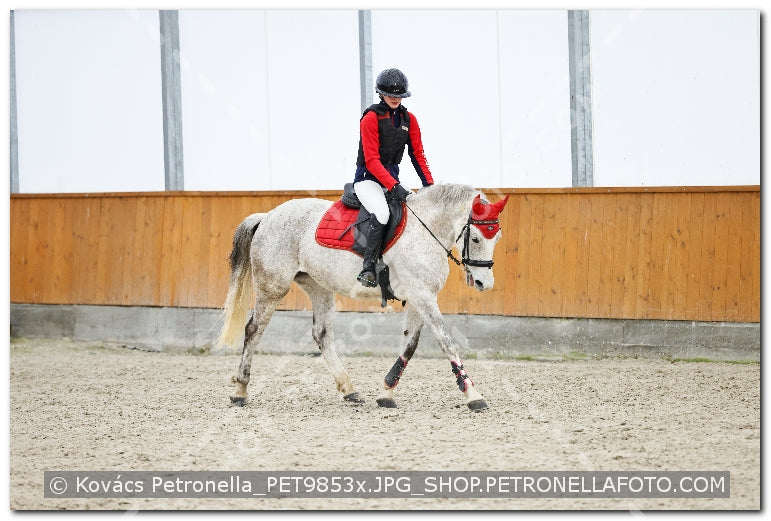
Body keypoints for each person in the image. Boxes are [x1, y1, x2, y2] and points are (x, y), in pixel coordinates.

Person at [353, 68, 434, 287]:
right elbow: (371, 160)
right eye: (391, 95)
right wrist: (393, 185)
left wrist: (429, 186)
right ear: (381, 94)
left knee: (417, 208)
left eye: (399, 95)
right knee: (382, 212)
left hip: (392, 180)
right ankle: (368, 267)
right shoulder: (371, 117)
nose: (395, 99)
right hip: (367, 179)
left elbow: (418, 155)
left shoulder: (410, 120)